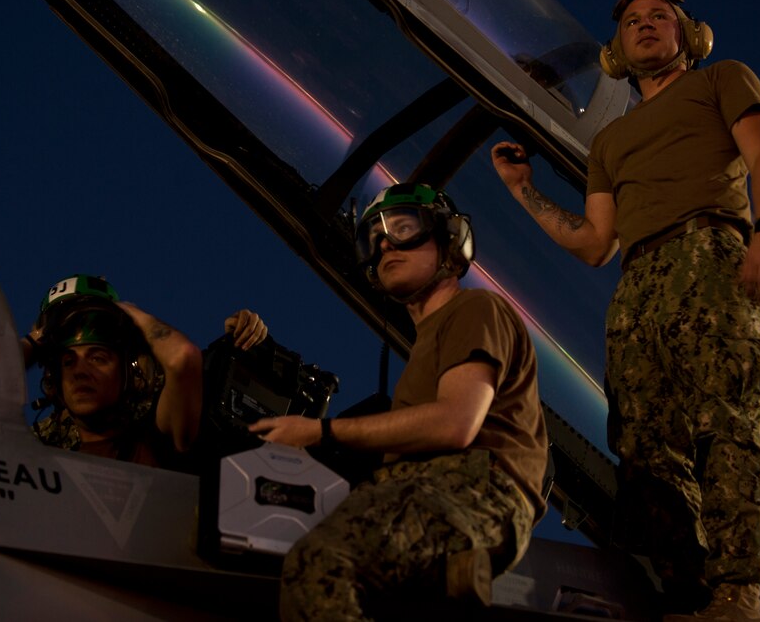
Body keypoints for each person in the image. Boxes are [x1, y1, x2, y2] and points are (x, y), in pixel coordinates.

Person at [492, 0, 760, 621]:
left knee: (727, 420)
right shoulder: (609, 144)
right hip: (637, 284)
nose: (645, 26)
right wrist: (523, 192)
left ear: (689, 35)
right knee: (647, 449)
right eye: (631, 21)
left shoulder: (722, 81)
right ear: (617, 48)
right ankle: (686, 594)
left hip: (710, 255)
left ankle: (740, 593)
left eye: (659, 17)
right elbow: (596, 243)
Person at [250, 183, 548, 619]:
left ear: (448, 240)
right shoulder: (426, 345)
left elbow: (456, 422)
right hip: (428, 488)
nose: (387, 242)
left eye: (404, 228)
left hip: (474, 488)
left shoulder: (475, 309)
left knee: (323, 562)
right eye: (375, 238)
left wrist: (321, 431)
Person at [28, 274, 267, 466]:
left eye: (98, 356)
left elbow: (183, 361)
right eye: (69, 359)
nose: (81, 369)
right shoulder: (42, 438)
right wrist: (31, 342)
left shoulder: (151, 411)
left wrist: (130, 316)